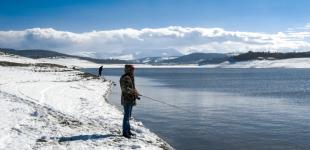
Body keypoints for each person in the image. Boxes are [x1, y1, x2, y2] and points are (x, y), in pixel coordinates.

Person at [120, 64, 140, 138]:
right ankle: (125, 133)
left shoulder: (131, 77)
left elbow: (132, 88)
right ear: (128, 69)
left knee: (128, 117)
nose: (133, 70)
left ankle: (128, 131)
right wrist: (133, 92)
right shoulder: (125, 78)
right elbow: (125, 89)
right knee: (126, 117)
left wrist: (136, 93)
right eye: (132, 69)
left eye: (133, 69)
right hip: (126, 99)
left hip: (131, 99)